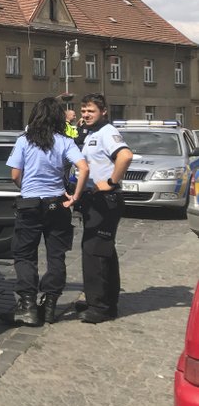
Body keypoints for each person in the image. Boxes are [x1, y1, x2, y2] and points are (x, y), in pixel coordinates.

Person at [1, 98, 89, 326]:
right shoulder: (65, 141)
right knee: (56, 256)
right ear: (59, 118)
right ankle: (49, 306)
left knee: (24, 254)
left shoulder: (24, 141)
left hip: (30, 203)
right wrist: (75, 196)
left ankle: (28, 306)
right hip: (57, 202)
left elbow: (14, 175)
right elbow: (83, 167)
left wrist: (27, 189)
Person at [76, 93, 133, 324]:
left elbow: (125, 156)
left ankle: (99, 308)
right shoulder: (93, 132)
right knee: (104, 251)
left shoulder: (107, 132)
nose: (86, 114)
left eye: (91, 111)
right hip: (94, 199)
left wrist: (111, 182)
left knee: (95, 252)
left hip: (105, 199)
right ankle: (103, 301)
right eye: (84, 110)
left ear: (103, 111)